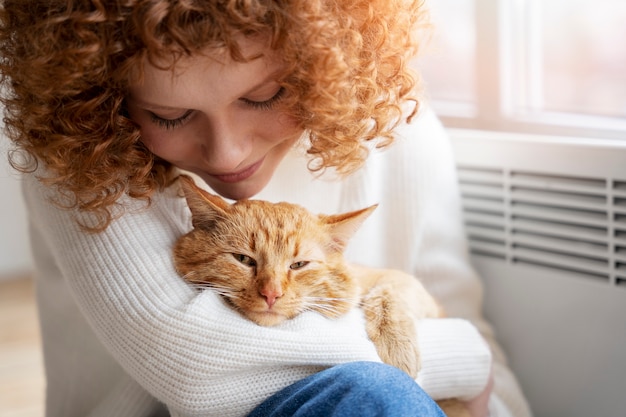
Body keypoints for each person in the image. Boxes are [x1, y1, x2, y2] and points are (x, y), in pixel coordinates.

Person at [0, 1, 532, 416]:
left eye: (263, 96)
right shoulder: (80, 146)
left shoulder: (398, 129)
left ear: (325, 69)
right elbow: (199, 367)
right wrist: (460, 358)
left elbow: (464, 323)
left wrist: (470, 361)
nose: (227, 154)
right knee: (372, 396)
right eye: (169, 114)